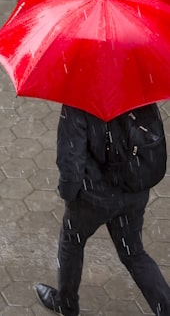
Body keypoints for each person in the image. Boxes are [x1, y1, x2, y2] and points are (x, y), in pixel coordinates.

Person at [36, 104, 170, 316]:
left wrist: (68, 195)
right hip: (134, 190)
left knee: (72, 241)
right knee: (134, 253)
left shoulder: (77, 102)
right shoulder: (139, 94)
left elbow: (71, 160)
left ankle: (66, 303)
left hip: (94, 198)